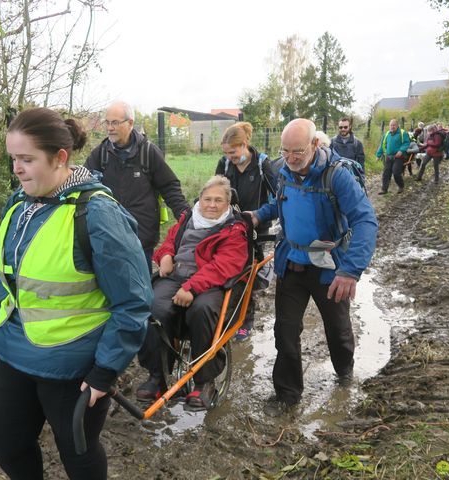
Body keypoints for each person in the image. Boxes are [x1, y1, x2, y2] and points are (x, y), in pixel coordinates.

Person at [0, 108, 152, 480]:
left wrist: (105, 371)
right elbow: (3, 275)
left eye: (27, 159)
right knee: (4, 438)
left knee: (77, 451)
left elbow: (133, 302)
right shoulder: (18, 206)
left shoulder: (97, 214)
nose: (17, 169)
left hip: (73, 367)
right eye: (13, 158)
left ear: (60, 158)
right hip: (13, 351)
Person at [250, 118, 378, 412]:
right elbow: (278, 204)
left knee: (338, 328)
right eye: (285, 151)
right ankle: (287, 395)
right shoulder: (285, 172)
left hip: (329, 269)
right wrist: (257, 215)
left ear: (315, 145)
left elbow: (366, 220)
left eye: (298, 151)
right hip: (292, 264)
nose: (291, 158)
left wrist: (350, 271)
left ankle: (344, 371)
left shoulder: (337, 177)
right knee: (285, 331)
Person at [136, 176, 250, 411]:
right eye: (207, 198)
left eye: (218, 200)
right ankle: (156, 376)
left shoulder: (234, 228)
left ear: (228, 203)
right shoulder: (188, 217)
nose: (211, 204)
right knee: (152, 308)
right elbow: (170, 242)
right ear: (200, 199)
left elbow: (225, 265)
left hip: (213, 283)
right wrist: (165, 256)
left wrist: (192, 287)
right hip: (177, 275)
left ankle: (204, 381)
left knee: (202, 309)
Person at [85, 101, 189, 273]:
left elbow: (169, 186)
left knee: (142, 285)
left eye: (115, 123)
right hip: (109, 233)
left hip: (142, 234)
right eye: (107, 122)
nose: (109, 128)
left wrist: (185, 215)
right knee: (113, 283)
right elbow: (85, 186)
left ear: (130, 123)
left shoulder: (148, 152)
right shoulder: (100, 154)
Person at [214, 122, 276, 340]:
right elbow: (215, 190)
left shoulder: (262, 165)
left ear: (244, 144)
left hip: (255, 228)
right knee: (225, 271)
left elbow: (278, 197)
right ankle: (224, 316)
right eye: (226, 153)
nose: (229, 156)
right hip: (229, 228)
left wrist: (259, 215)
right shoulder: (225, 165)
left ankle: (245, 321)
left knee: (247, 274)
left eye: (233, 152)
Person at [375, 119, 410, 194]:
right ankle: (384, 189)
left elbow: (406, 143)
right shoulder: (387, 134)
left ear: (397, 126)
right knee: (386, 173)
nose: (392, 126)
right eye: (391, 125)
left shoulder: (402, 133)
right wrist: (378, 155)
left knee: (396, 172)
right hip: (388, 156)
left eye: (394, 125)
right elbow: (382, 145)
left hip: (398, 157)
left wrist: (401, 150)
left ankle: (401, 186)